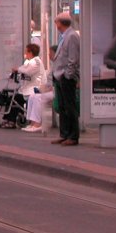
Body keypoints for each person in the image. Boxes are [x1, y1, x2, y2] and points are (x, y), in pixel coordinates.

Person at [50, 12, 81, 146]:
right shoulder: (64, 36)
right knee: (62, 107)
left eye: (56, 22)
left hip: (66, 77)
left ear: (61, 23)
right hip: (59, 76)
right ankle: (64, 134)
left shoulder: (72, 36)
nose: (55, 25)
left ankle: (73, 136)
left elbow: (73, 58)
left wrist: (68, 75)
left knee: (70, 107)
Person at [21, 44, 52, 132]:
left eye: (26, 52)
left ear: (30, 52)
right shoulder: (32, 62)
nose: (25, 53)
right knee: (32, 97)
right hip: (44, 88)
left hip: (45, 89)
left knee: (36, 97)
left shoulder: (36, 62)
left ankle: (37, 123)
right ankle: (32, 122)